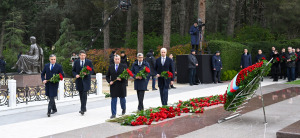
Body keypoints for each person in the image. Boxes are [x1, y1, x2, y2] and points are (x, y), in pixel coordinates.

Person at [72, 50, 94, 115]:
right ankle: (84, 107)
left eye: (84, 55)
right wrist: (76, 75)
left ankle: (82, 109)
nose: (83, 56)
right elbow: (73, 70)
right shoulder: (76, 62)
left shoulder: (89, 62)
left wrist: (87, 73)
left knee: (84, 93)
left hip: (86, 81)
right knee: (81, 94)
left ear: (85, 55)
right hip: (79, 81)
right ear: (79, 55)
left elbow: (92, 71)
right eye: (81, 55)